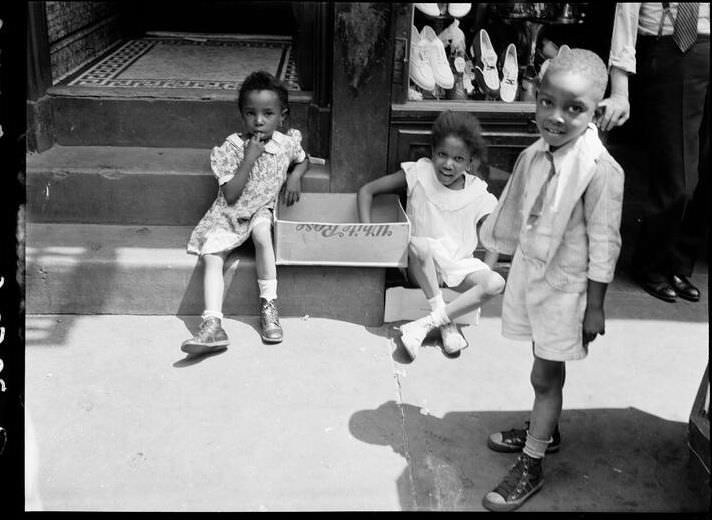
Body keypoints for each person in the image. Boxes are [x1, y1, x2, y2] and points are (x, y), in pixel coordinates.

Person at [478, 48, 624, 511]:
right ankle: (547, 427)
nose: (555, 117)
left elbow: (604, 241)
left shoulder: (600, 170)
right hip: (533, 275)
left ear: (596, 112)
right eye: (546, 102)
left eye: (574, 108)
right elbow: (516, 207)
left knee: (545, 374)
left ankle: (532, 462)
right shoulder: (535, 154)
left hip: (568, 289)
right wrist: (493, 261)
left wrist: (596, 306)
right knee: (544, 368)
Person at [357, 110, 505, 358]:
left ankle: (426, 324)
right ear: (432, 152)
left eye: (458, 159)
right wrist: (368, 233)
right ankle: (447, 325)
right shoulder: (418, 173)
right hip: (421, 265)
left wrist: (485, 273)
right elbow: (366, 191)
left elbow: (494, 241)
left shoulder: (478, 193)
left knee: (496, 283)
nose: (448, 164)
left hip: (457, 268)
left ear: (470, 162)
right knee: (419, 244)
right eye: (442, 155)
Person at [181, 71, 309, 354]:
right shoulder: (232, 148)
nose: (259, 121)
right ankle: (212, 324)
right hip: (229, 213)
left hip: (261, 210)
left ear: (282, 116)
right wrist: (250, 158)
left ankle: (269, 306)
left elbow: (303, 159)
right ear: (242, 115)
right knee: (212, 256)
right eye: (251, 113)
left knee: (264, 234)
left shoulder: (285, 144)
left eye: (268, 113)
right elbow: (230, 194)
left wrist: (295, 176)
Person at [598, 3, 709, 303]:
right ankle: (650, 264)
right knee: (679, 178)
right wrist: (620, 90)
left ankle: (678, 264)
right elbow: (625, 18)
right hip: (675, 50)